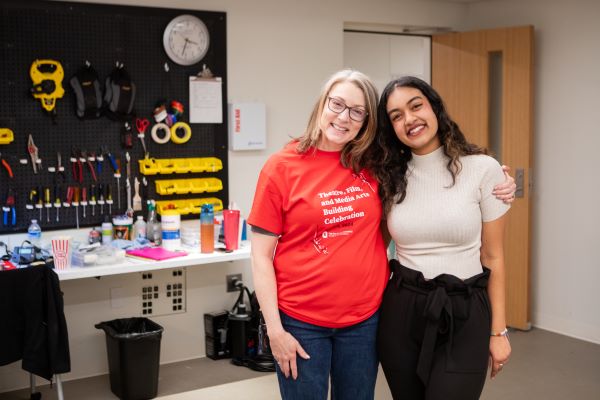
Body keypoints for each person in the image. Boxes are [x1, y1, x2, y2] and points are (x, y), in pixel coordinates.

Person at [248, 70, 514, 400]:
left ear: (367, 123)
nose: (344, 117)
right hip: (304, 320)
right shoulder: (284, 168)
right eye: (337, 104)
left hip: (365, 320)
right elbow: (261, 255)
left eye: (357, 111)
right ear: (322, 104)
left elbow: (405, 224)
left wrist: (502, 183)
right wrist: (273, 330)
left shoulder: (375, 165)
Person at [373, 76, 512, 400]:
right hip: (402, 310)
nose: (409, 119)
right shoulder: (387, 176)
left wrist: (499, 331)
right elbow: (374, 245)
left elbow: (493, 257)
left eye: (416, 105)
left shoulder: (483, 170)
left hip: (464, 310)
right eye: (396, 116)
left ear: (434, 106)